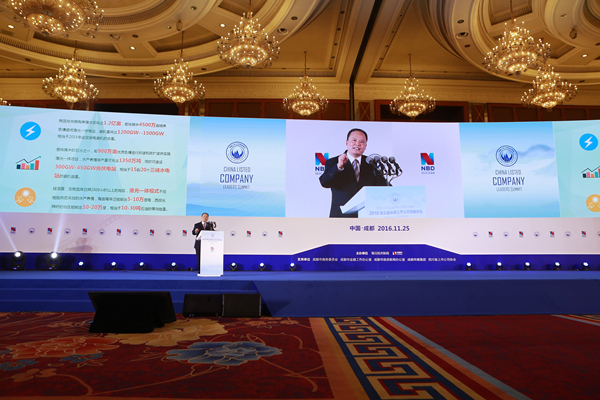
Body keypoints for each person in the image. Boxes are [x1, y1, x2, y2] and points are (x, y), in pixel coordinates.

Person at [319, 128, 388, 217]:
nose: (357, 144)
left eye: (362, 141)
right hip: (341, 216)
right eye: (354, 140)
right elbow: (325, 183)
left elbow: (382, 186)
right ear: (347, 143)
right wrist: (338, 167)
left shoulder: (371, 163)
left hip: (366, 215)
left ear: (365, 146)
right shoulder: (333, 162)